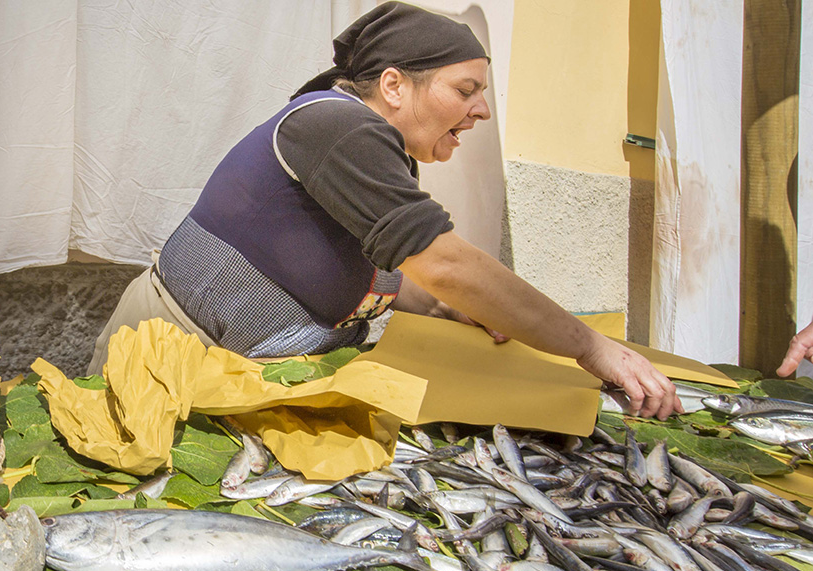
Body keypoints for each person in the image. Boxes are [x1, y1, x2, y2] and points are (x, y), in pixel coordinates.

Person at [89, 2, 682, 420]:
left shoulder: (372, 144)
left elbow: (386, 273)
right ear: (395, 86)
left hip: (235, 369)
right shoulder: (338, 126)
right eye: (465, 90)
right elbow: (444, 262)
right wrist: (590, 347)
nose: (481, 112)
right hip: (170, 357)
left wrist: (450, 306)